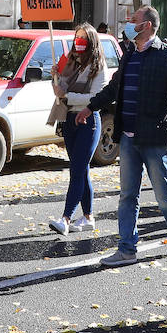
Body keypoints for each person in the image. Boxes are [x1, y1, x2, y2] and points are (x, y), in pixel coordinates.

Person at [79, 5, 167, 266]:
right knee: (128, 195)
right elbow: (114, 88)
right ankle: (127, 248)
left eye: (134, 20)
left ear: (147, 26)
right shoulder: (130, 54)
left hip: (154, 138)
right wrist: (90, 106)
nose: (129, 23)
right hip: (128, 138)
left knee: (163, 192)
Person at [46, 24, 109, 235]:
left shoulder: (98, 67)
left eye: (83, 38)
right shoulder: (69, 61)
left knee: (77, 171)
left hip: (88, 122)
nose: (78, 42)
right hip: (68, 119)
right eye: (77, 37)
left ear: (91, 42)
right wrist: (55, 78)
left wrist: (67, 96)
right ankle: (88, 217)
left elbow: (96, 98)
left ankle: (65, 218)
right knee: (82, 170)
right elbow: (59, 91)